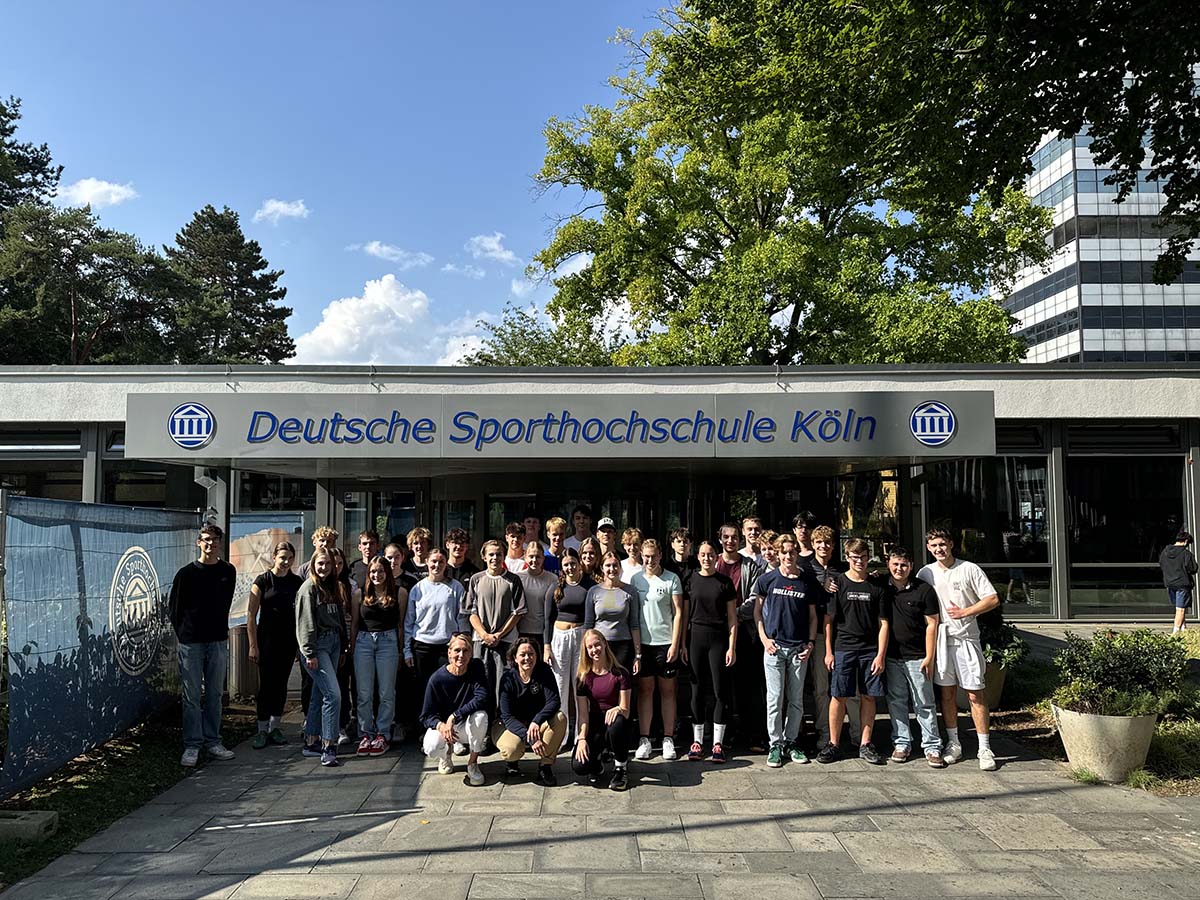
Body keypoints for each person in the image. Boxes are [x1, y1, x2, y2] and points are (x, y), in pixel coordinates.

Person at [917, 528, 1001, 771]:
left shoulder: (969, 569)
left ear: (951, 544)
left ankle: (984, 747)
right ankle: (954, 743)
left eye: (942, 544)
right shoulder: (926, 573)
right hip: (941, 642)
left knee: (975, 693)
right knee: (947, 694)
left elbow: (992, 599)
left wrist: (966, 612)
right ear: (928, 548)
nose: (939, 549)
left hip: (966, 640)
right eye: (934, 545)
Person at [169, 523, 237, 767]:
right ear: (199, 542)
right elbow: (175, 608)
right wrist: (185, 635)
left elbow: (225, 602)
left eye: (215, 539)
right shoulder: (186, 574)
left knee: (215, 694)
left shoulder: (228, 571)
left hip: (217, 640)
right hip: (192, 643)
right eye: (206, 539)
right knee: (192, 696)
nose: (211, 544)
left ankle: (213, 741)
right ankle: (192, 745)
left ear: (220, 543)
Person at [819, 538, 888, 766]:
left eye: (864, 557)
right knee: (838, 695)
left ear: (869, 558)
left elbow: (883, 623)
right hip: (843, 648)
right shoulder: (837, 584)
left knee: (869, 695)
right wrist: (829, 652)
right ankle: (833, 743)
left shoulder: (876, 586)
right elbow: (828, 621)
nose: (860, 561)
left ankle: (865, 744)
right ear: (847, 557)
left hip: (870, 650)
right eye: (855, 557)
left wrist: (880, 655)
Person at [752, 535, 819, 767]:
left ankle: (791, 742)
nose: (788, 556)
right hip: (774, 648)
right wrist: (764, 639)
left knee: (796, 700)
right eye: (784, 552)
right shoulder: (767, 580)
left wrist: (810, 643)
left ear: (797, 553)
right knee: (775, 698)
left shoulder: (806, 581)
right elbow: (757, 612)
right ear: (778, 554)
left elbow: (813, 617)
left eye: (792, 552)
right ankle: (775, 744)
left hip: (799, 649)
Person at [881, 547, 944, 767]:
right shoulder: (882, 587)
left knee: (924, 703)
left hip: (918, 656)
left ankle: (932, 746)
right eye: (895, 564)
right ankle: (902, 743)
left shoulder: (924, 590)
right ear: (888, 564)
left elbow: (932, 624)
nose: (899, 568)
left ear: (911, 566)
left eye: (904, 565)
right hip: (892, 656)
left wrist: (929, 656)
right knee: (896, 701)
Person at [630, 539, 685, 761]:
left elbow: (679, 612)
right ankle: (645, 739)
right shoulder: (636, 579)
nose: (650, 560)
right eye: (646, 556)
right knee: (645, 691)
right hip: (643, 644)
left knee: (668, 691)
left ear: (660, 555)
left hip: (665, 643)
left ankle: (668, 738)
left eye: (653, 556)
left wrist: (675, 644)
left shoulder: (672, 579)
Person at [296, 548, 349, 768]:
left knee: (319, 693)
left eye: (328, 564)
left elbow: (339, 618)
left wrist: (344, 646)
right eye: (320, 563)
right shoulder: (308, 588)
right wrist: (309, 652)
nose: (324, 567)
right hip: (318, 646)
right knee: (333, 695)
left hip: (334, 642)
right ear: (312, 564)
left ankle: (311, 741)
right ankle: (329, 746)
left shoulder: (333, 586)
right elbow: (305, 622)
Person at [686, 540, 738, 763]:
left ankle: (717, 743)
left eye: (710, 554)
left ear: (716, 557)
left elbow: (733, 619)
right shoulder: (690, 580)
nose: (706, 558)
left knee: (719, 691)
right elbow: (684, 615)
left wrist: (732, 647)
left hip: (718, 639)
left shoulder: (725, 582)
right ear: (698, 557)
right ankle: (697, 741)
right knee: (696, 689)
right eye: (703, 554)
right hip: (695, 638)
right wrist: (682, 645)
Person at [717, 521, 766, 752]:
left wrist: (732, 614)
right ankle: (725, 734)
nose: (730, 541)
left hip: (745, 630)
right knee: (722, 685)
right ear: (720, 539)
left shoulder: (750, 566)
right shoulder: (714, 563)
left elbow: (755, 598)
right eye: (726, 537)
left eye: (734, 537)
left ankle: (753, 734)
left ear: (740, 539)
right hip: (719, 632)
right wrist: (723, 617)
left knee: (750, 685)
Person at [247, 540, 301, 749]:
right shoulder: (262, 581)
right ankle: (261, 729)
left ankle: (275, 727)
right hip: (266, 640)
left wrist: (299, 645)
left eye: (290, 558)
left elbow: (300, 615)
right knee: (266, 686)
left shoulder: (296, 582)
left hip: (287, 641)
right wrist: (253, 645)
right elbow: (251, 615)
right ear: (274, 557)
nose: (286, 562)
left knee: (281, 684)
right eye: (282, 558)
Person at [420, 632, 490, 786]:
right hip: (446, 728)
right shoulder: (437, 679)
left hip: (466, 724)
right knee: (431, 747)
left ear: (471, 654)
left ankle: (472, 763)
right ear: (449, 652)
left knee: (481, 717)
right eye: (457, 650)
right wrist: (441, 726)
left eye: (466, 651)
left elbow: (481, 697)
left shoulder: (476, 668)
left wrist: (454, 716)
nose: (461, 655)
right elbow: (426, 716)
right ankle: (445, 755)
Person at [350, 558, 404, 757]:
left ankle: (383, 732)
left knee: (386, 692)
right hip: (364, 642)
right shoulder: (359, 594)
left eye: (380, 571)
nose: (376, 575)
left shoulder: (399, 592)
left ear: (387, 572)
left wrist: (400, 651)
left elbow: (401, 624)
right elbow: (355, 624)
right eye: (373, 571)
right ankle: (365, 733)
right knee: (364, 692)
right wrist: (352, 649)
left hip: (388, 642)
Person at [463, 539, 526, 705]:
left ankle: (502, 717)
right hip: (481, 641)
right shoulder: (476, 579)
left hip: (506, 641)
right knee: (481, 682)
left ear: (504, 556)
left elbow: (518, 612)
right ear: (484, 557)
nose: (495, 558)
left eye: (499, 554)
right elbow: (471, 612)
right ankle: (483, 717)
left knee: (504, 685)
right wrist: (484, 634)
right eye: (491, 554)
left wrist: (499, 634)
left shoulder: (513, 580)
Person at [802, 524, 849, 750]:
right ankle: (824, 730)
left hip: (843, 634)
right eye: (819, 542)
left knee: (845, 687)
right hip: (817, 634)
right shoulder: (805, 569)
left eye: (827, 542)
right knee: (820, 687)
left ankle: (850, 730)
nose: (823, 546)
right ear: (812, 544)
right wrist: (821, 585)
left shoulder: (842, 569)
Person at [497, 636, 566, 785]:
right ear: (515, 658)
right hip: (511, 725)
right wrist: (531, 738)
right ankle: (512, 762)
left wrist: (536, 721)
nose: (527, 658)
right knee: (511, 750)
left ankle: (545, 766)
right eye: (522, 655)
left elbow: (554, 701)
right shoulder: (508, 678)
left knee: (560, 718)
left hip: (535, 723)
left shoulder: (544, 671)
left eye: (531, 654)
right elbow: (507, 716)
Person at [573, 629, 633, 791]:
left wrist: (618, 709)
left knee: (617, 722)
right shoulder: (583, 678)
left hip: (616, 725)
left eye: (597, 645)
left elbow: (626, 710)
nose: (594, 650)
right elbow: (583, 715)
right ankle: (597, 762)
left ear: (605, 644)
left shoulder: (620, 674)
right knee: (579, 766)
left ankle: (621, 768)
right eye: (590, 647)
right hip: (595, 724)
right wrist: (581, 739)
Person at [405, 547, 467, 701]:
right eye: (433, 561)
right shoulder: (417, 589)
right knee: (422, 689)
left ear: (446, 564)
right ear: (427, 562)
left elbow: (462, 618)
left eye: (441, 562)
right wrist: (407, 651)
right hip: (421, 646)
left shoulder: (456, 587)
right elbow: (409, 622)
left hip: (447, 646)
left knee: (446, 689)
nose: (437, 565)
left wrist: (461, 641)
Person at [548, 548, 592, 749]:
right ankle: (560, 736)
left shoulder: (589, 586)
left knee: (580, 685)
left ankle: (580, 736)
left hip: (581, 636)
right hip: (559, 637)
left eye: (573, 563)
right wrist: (546, 646)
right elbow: (547, 620)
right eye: (566, 564)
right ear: (562, 567)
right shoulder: (555, 587)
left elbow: (591, 617)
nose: (570, 567)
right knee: (560, 686)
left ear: (579, 563)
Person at [584, 552, 642, 673]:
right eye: (608, 565)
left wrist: (638, 655)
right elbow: (588, 625)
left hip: (623, 646)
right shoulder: (593, 591)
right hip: (599, 646)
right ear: (602, 568)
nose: (612, 569)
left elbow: (634, 624)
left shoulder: (630, 591)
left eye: (615, 565)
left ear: (620, 568)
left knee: (622, 681)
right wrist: (586, 650)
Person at [518, 540, 558, 653]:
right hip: (521, 631)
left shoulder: (552, 579)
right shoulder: (518, 578)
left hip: (543, 632)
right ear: (525, 557)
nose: (534, 560)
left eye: (538, 557)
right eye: (531, 556)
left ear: (543, 558)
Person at [1160, 529, 1198, 633]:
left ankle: (1183, 628)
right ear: (1186, 541)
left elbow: (1161, 564)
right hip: (1182, 583)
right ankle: (1175, 633)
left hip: (1169, 583)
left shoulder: (1165, 552)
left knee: (1178, 607)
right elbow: (1193, 568)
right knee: (1181, 609)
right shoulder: (1186, 554)